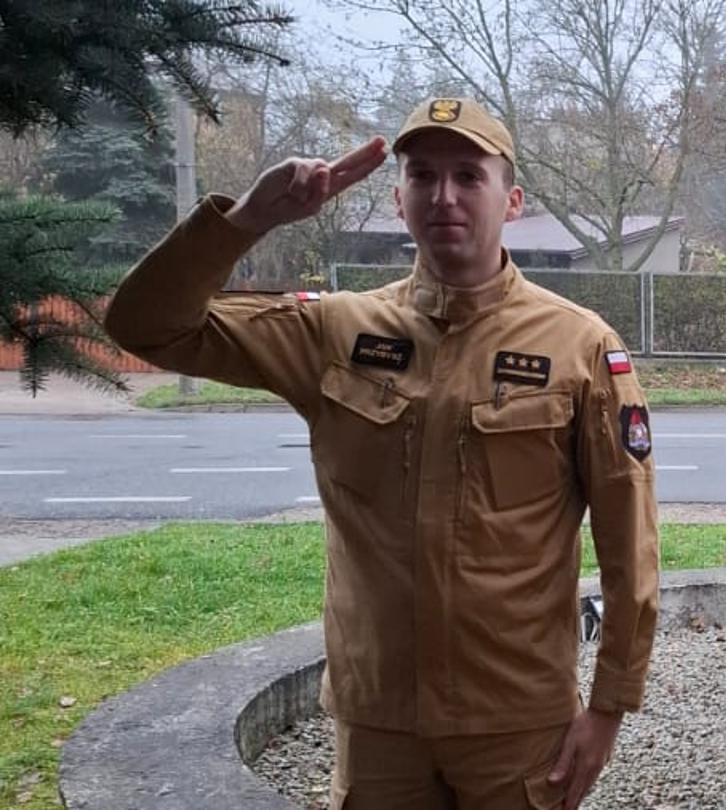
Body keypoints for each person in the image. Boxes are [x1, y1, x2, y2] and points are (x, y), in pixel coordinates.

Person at [104, 98, 660, 810]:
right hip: (377, 723)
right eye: (422, 175)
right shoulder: (335, 331)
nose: (444, 195)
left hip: (515, 721)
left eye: (469, 175)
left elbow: (629, 540)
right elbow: (145, 326)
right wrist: (247, 220)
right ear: (398, 199)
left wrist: (609, 706)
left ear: (512, 200)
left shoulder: (578, 346)